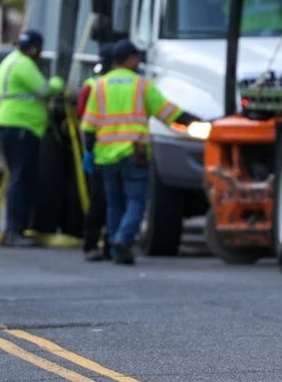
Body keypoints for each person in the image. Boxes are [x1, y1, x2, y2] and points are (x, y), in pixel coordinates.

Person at [80, 39, 199, 264]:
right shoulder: (141, 85)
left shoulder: (100, 85)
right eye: (137, 57)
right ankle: (122, 241)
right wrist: (199, 122)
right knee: (136, 201)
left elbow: (88, 126)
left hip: (106, 155)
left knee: (114, 203)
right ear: (130, 59)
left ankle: (114, 244)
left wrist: (89, 153)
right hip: (134, 153)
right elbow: (169, 113)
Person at [0, 30, 63, 247]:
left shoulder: (8, 61)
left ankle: (14, 229)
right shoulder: (24, 65)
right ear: (33, 48)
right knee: (21, 180)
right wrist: (58, 83)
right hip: (21, 127)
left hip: (9, 125)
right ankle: (15, 231)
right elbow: (45, 89)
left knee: (17, 178)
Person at [78, 43, 116, 262]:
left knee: (104, 202)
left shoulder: (93, 85)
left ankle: (100, 243)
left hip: (102, 151)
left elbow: (83, 118)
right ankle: (98, 243)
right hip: (110, 152)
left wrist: (89, 151)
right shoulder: (94, 85)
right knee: (106, 202)